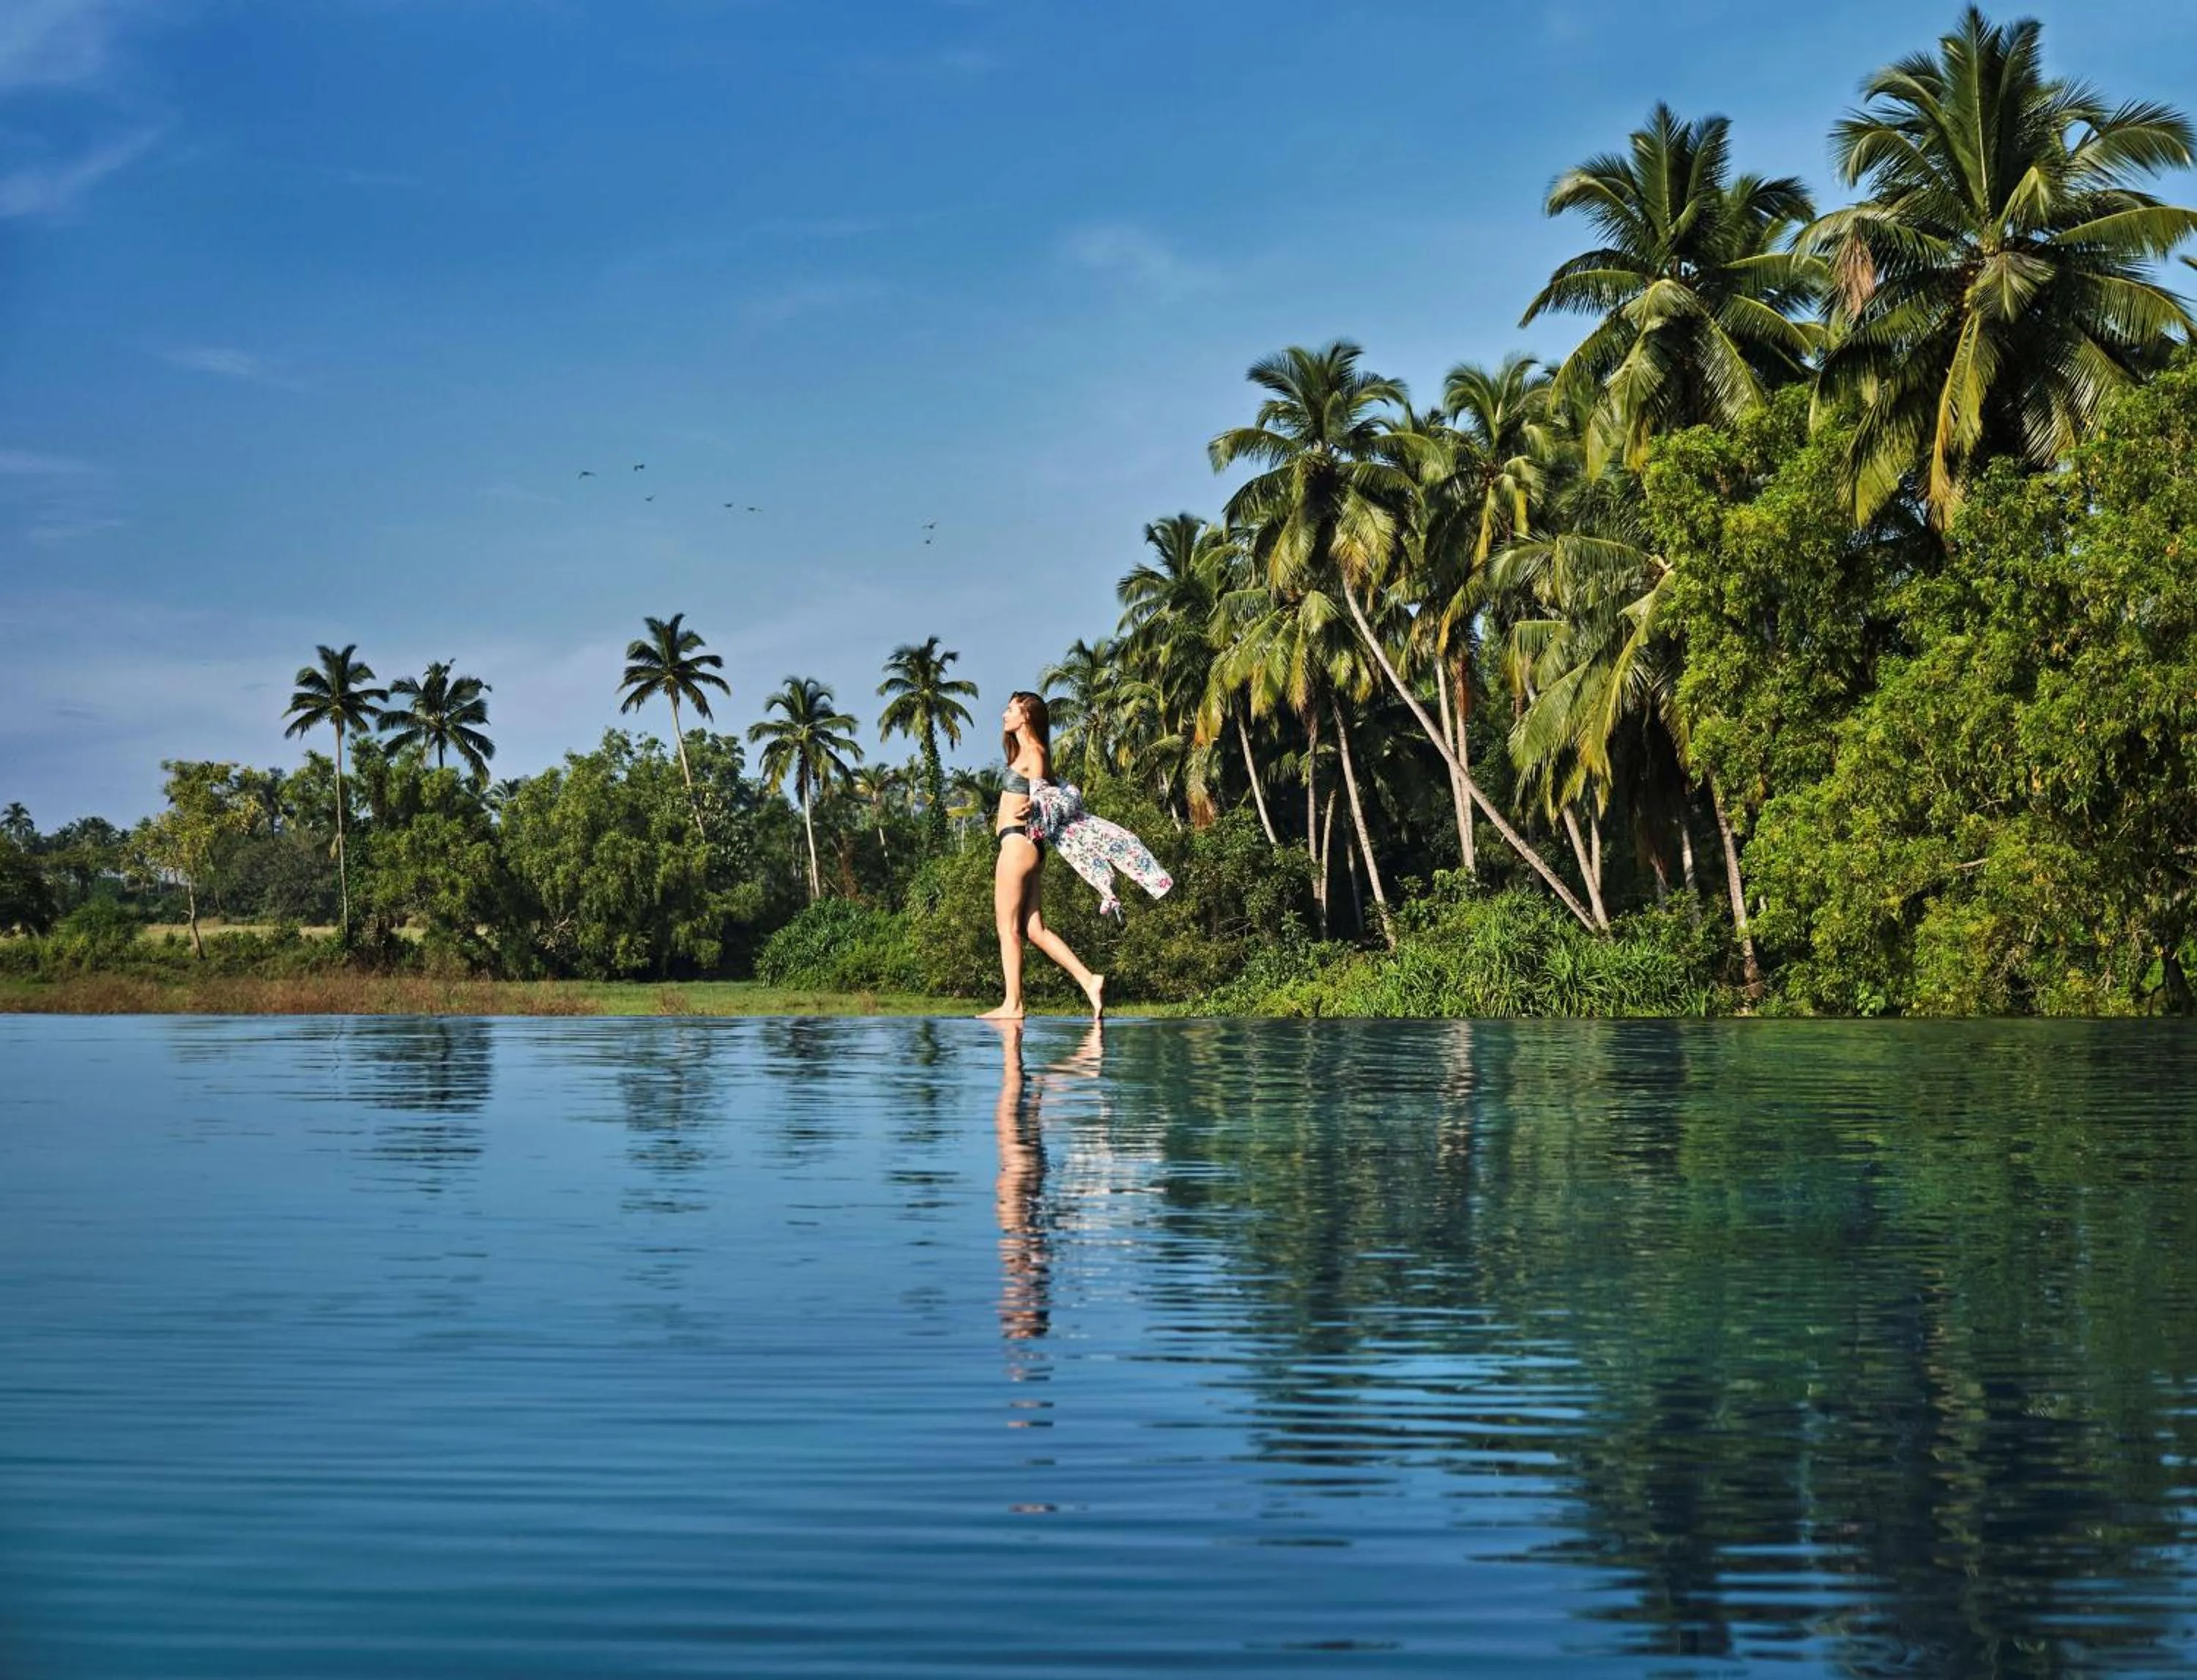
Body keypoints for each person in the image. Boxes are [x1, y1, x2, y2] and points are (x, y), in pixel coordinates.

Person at [979, 691, 1105, 1021]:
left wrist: (1035, 804)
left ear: (1027, 717)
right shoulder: (1024, 751)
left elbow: (1044, 794)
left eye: (1010, 710)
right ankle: (1089, 980)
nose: (1004, 715)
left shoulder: (1034, 752)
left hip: (1017, 845)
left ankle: (1013, 1005)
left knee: (1007, 929)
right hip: (1027, 847)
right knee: (1035, 930)